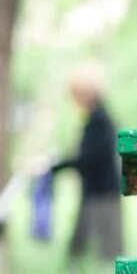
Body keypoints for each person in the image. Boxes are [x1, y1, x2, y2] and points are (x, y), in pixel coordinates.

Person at [49, 66, 123, 260]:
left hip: (103, 194)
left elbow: (89, 159)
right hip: (94, 192)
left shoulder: (101, 121)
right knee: (79, 248)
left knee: (108, 252)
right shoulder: (94, 119)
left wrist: (55, 165)